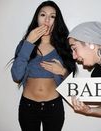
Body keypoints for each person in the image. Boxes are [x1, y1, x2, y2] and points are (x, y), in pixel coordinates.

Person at [11, 1, 76, 131]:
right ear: (37, 18)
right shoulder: (25, 44)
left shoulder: (64, 46)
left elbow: (70, 82)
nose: (47, 20)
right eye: (43, 15)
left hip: (54, 107)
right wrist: (29, 42)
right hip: (28, 107)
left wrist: (62, 71)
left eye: (52, 16)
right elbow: (16, 76)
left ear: (56, 21)